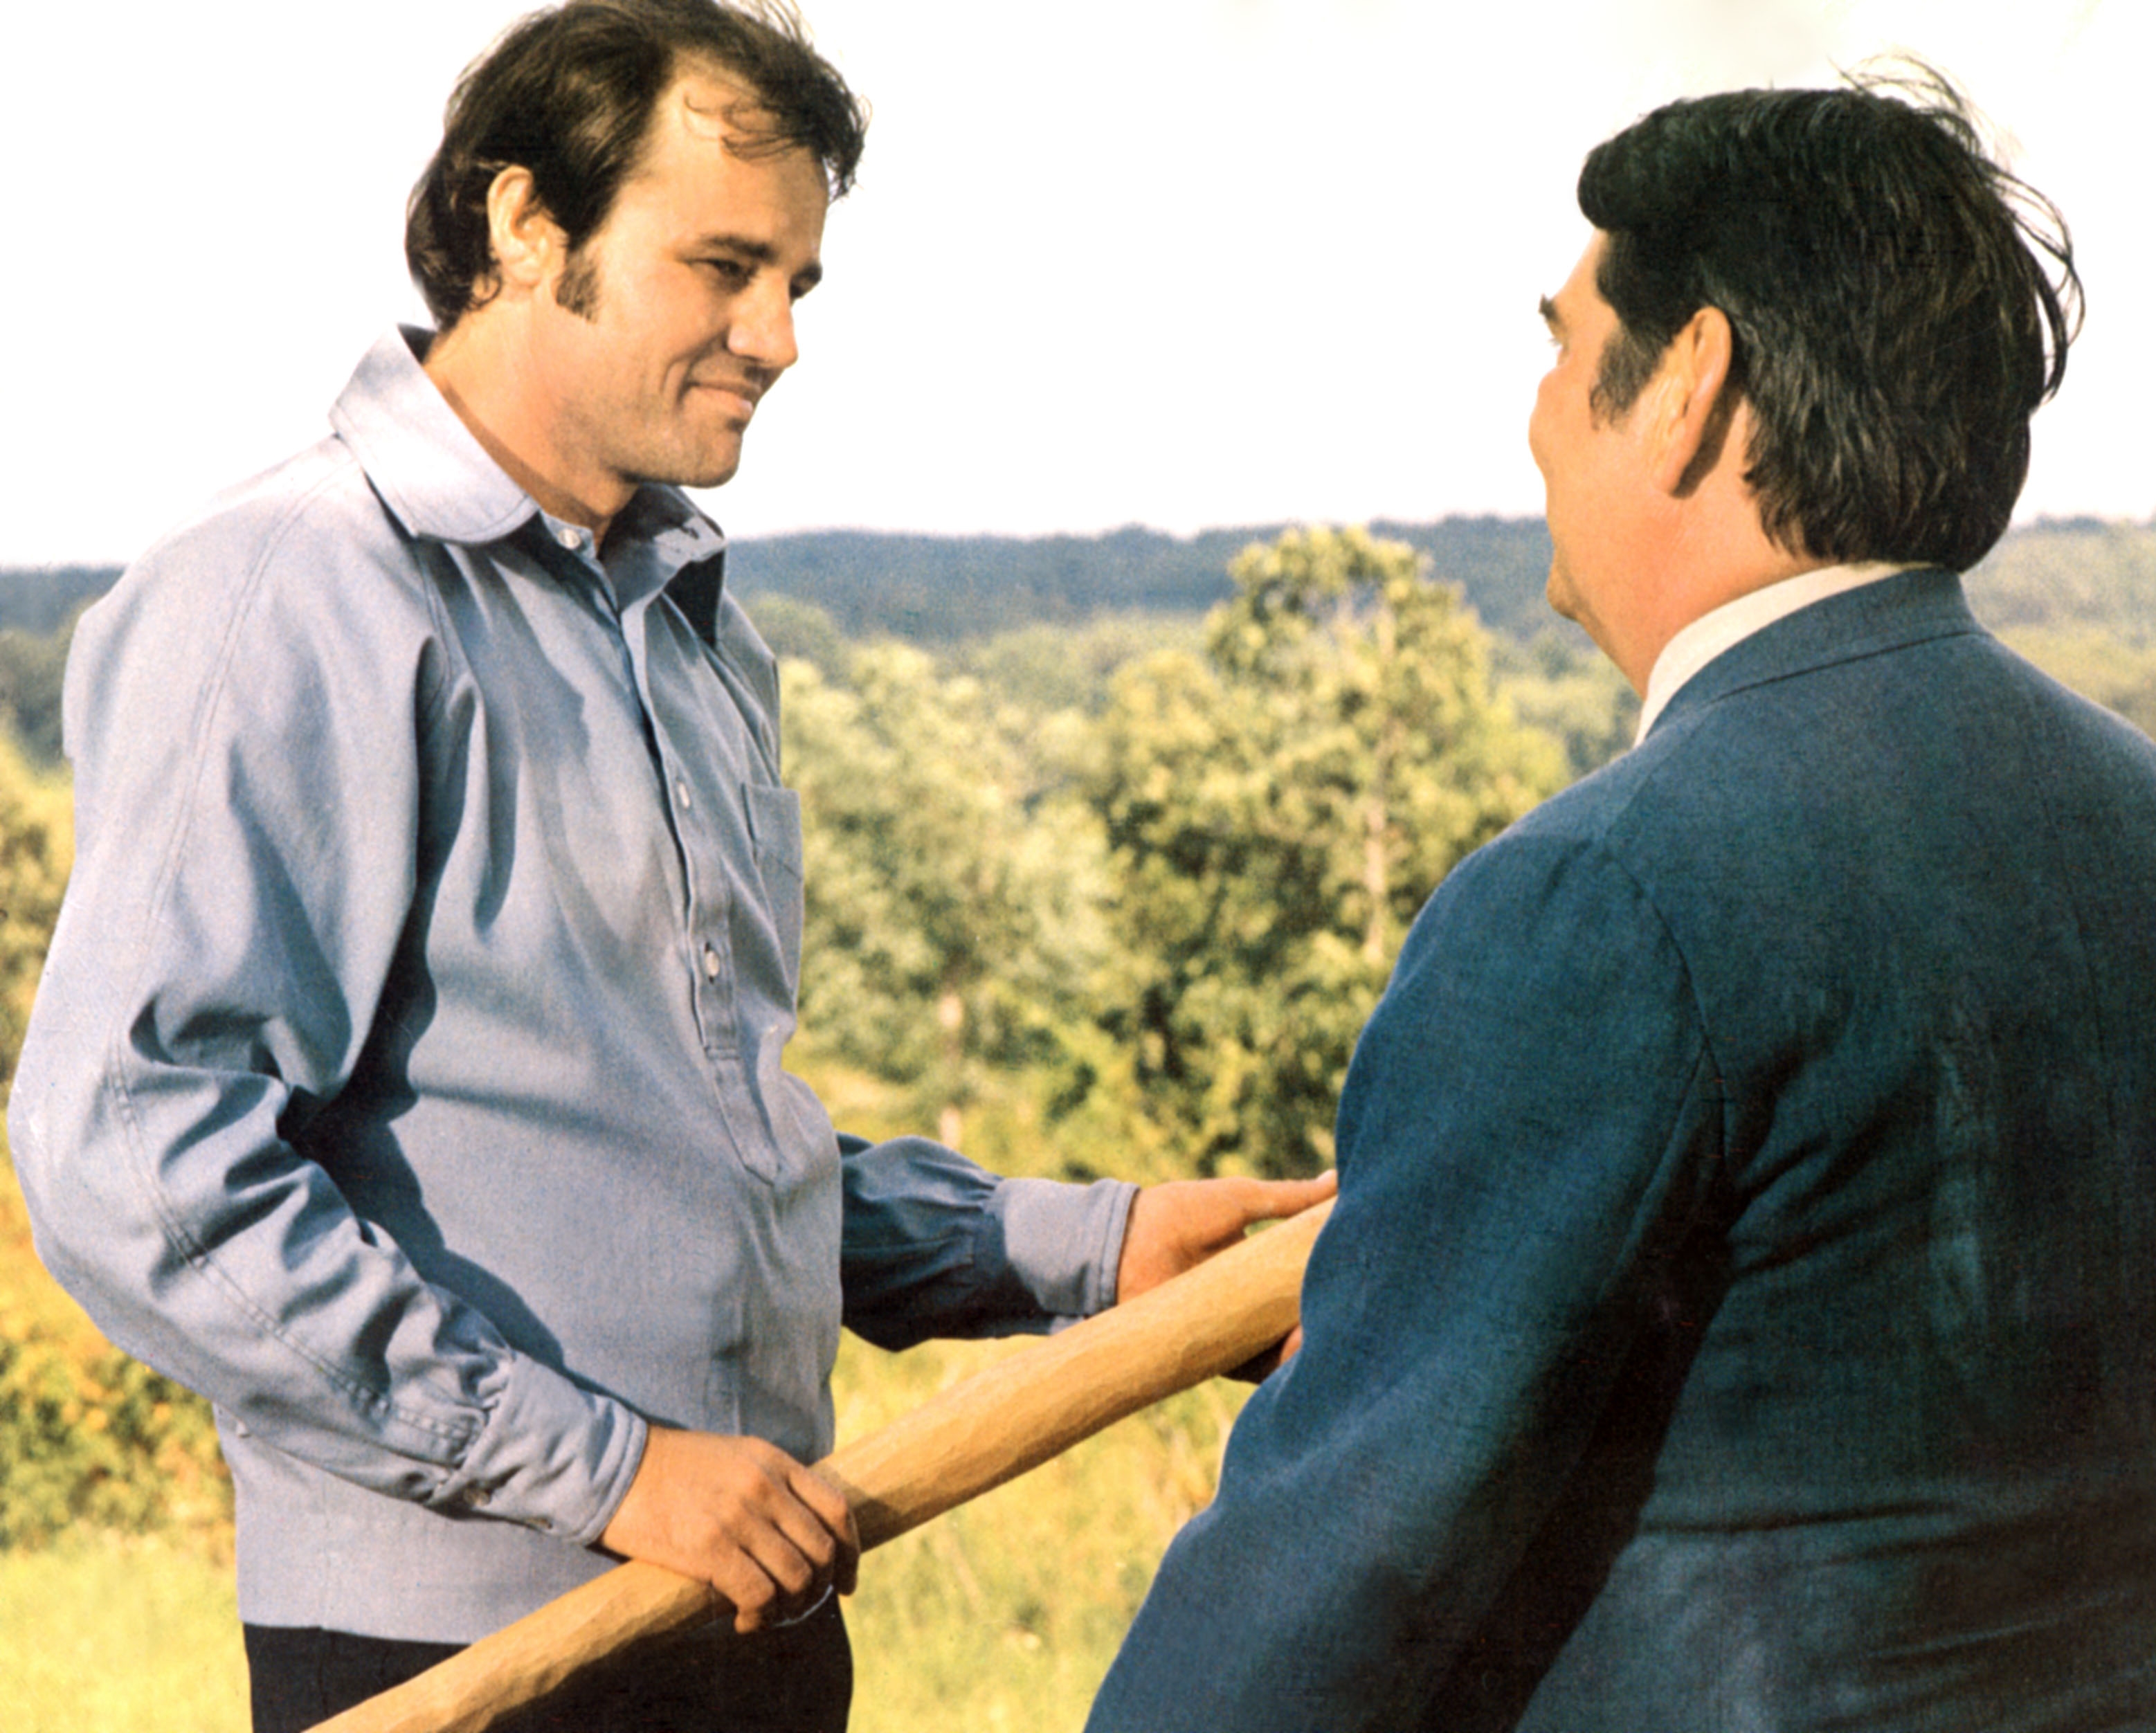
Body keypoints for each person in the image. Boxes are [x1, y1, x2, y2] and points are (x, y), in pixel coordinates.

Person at [6, 3, 1327, 1730]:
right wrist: (612, 1472)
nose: (777, 336)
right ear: (522, 225)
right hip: (475, 1668)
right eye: (721, 265)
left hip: (755, 1610)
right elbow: (136, 1161)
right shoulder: (294, 593)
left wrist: (1093, 1246)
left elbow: (685, 1160)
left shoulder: (686, 623)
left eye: (797, 280)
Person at [1087, 67, 2156, 1733]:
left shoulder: (1600, 894)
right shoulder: (2153, 831)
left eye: (1563, 345)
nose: (1533, 415)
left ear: (1689, 385)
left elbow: (1331, 1574)